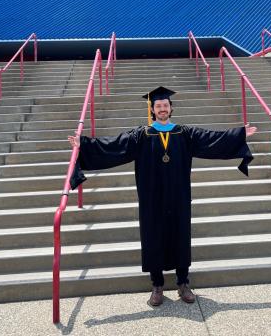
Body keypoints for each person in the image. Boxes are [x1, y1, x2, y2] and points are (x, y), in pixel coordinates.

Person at [68, 86, 257, 307]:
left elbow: (211, 139)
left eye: (165, 105)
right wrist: (85, 145)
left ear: (171, 108)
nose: (162, 109)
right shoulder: (141, 135)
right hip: (152, 198)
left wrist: (239, 135)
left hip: (179, 196)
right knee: (153, 237)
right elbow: (114, 146)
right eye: (158, 106)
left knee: (180, 236)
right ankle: (157, 286)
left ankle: (183, 283)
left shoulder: (184, 134)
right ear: (152, 110)